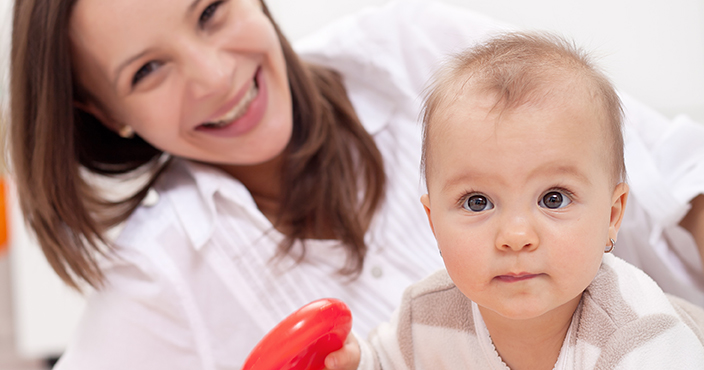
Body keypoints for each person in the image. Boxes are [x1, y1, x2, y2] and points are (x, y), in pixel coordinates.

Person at [6, 0, 704, 368]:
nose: (215, 76)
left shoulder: (412, 52)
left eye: (212, 9)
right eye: (147, 71)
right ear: (103, 113)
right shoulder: (161, 275)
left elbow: (672, 178)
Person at [324, 32, 704, 370]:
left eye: (553, 199)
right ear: (433, 223)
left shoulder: (640, 335)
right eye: (477, 202)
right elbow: (384, 361)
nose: (516, 235)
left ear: (612, 214)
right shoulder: (424, 317)